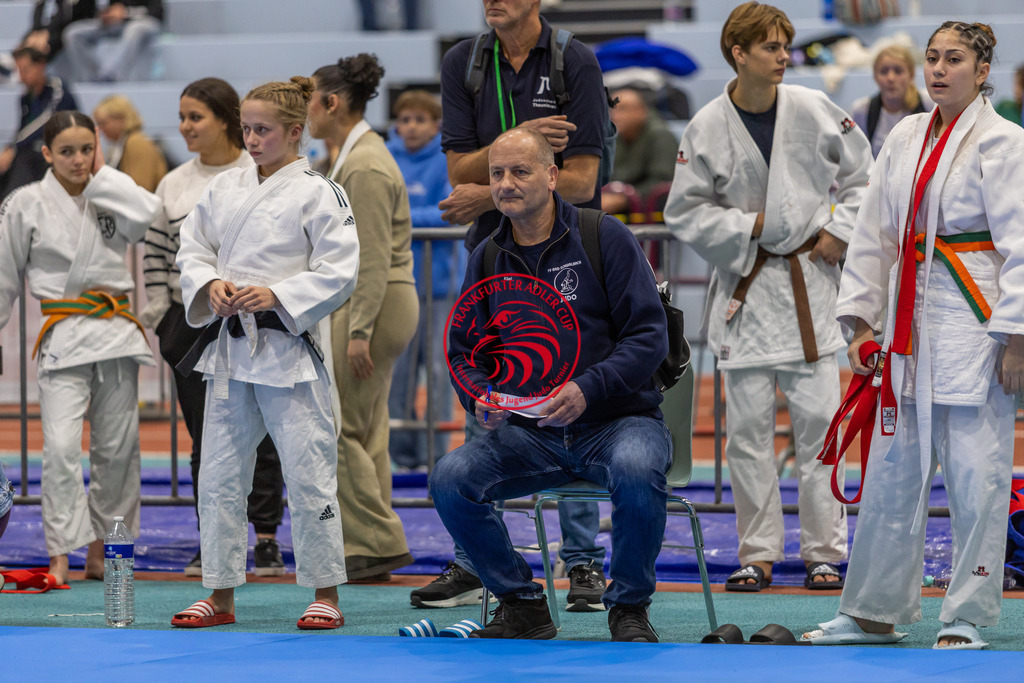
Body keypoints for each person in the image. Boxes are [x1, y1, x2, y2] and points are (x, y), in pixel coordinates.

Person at [802, 21, 1024, 650]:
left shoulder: (1005, 142)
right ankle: (873, 610)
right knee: (891, 473)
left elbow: (1022, 244)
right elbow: (874, 233)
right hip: (907, 317)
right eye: (932, 58)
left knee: (976, 476)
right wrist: (861, 323)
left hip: (974, 320)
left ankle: (966, 615)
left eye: (954, 59)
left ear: (982, 71)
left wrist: (1017, 336)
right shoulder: (903, 135)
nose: (938, 69)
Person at [663, 1, 872, 593]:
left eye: (786, 46)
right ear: (740, 53)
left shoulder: (811, 107)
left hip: (808, 282)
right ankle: (756, 553)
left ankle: (825, 552)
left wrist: (839, 231)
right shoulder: (706, 125)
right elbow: (684, 209)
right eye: (772, 48)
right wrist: (748, 227)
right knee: (747, 438)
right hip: (747, 291)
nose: (784, 57)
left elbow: (864, 176)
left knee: (820, 430)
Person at [431, 127, 669, 641]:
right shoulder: (488, 256)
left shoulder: (603, 236)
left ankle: (628, 607)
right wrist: (479, 396)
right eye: (496, 174)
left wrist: (589, 386)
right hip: (530, 434)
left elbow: (650, 337)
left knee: (636, 468)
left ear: (552, 176)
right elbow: (464, 351)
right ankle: (521, 603)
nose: (505, 184)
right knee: (451, 477)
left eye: (520, 171)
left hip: (618, 420)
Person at [419, 0, 609, 614]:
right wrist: (522, 152)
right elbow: (456, 173)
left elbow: (579, 181)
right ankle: (478, 562)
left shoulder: (572, 59)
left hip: (568, 251)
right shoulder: (464, 62)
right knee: (490, 402)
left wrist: (488, 185)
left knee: (570, 394)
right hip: (496, 258)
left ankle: (582, 563)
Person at [171, 77, 358, 629]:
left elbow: (340, 270)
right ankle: (220, 595)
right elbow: (192, 247)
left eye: (263, 130)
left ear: (295, 132)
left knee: (308, 472)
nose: (251, 139)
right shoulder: (224, 188)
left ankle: (326, 592)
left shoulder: (320, 191)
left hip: (287, 351)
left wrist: (279, 293)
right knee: (221, 476)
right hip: (229, 353)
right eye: (246, 129)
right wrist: (209, 285)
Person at [0, 110, 161, 586]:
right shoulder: (24, 204)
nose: (77, 160)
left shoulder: (110, 192)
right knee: (63, 449)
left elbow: (149, 215)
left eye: (86, 149)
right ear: (46, 154)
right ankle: (59, 554)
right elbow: (3, 280)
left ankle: (107, 550)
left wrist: (105, 176)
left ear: (99, 149)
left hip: (115, 332)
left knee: (118, 450)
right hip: (64, 334)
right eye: (66, 151)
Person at [139, 77, 288, 579]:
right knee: (206, 437)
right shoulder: (174, 183)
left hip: (258, 321)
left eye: (195, 117)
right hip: (191, 327)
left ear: (226, 120)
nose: (184, 127)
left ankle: (265, 538)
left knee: (264, 433)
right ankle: (213, 539)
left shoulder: (263, 175)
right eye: (181, 117)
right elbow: (158, 256)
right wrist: (162, 318)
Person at [307, 54, 418, 583]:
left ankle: (375, 540)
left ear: (331, 103)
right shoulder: (356, 157)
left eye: (308, 98)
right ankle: (370, 541)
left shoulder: (366, 164)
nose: (303, 110)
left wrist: (358, 331)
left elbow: (370, 255)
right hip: (377, 301)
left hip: (373, 303)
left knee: (342, 426)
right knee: (366, 428)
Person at [386, 89, 460, 472]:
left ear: (435, 125)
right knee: (396, 373)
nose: (411, 127)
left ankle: (436, 455)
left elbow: (450, 210)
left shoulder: (448, 161)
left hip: (440, 287)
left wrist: (399, 219)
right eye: (405, 119)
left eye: (420, 119)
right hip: (395, 287)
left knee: (436, 371)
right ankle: (401, 454)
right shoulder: (385, 156)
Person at [0, 45, 77, 200]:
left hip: (62, 151)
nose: (22, 77)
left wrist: (13, 148)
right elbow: (22, 130)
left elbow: (45, 122)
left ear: (41, 65)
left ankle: (12, 204)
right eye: (19, 71)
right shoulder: (25, 98)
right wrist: (9, 149)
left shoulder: (57, 89)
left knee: (25, 157)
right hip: (33, 152)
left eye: (26, 70)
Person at [600, 87, 678, 215]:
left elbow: (663, 182)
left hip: (655, 211)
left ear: (641, 111)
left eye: (623, 109)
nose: (615, 115)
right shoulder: (616, 136)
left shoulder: (661, 136)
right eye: (612, 109)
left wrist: (624, 199)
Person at [850, 45, 932, 158]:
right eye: (884, 72)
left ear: (911, 74)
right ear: (875, 76)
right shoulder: (862, 110)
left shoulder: (929, 103)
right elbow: (858, 158)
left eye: (898, 71)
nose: (891, 78)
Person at [62, 1, 163, 83]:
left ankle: (111, 76)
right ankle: (88, 79)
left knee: (134, 29)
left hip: (145, 21)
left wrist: (126, 13)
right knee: (73, 33)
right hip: (116, 24)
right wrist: (105, 14)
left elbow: (157, 11)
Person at [93, 94, 167, 192]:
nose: (101, 129)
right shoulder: (122, 144)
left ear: (122, 119)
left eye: (103, 123)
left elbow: (140, 190)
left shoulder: (136, 143)